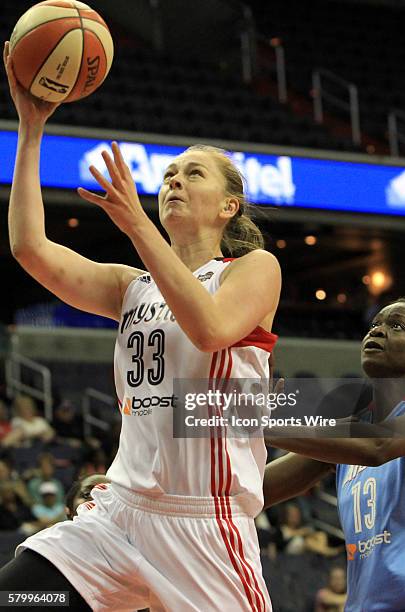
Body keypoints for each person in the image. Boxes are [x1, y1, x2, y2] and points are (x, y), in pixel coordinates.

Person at [0, 41, 281, 612]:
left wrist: (136, 228)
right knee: (22, 599)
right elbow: (30, 248)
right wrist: (31, 131)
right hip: (117, 519)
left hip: (205, 528)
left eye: (193, 173)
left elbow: (208, 330)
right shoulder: (133, 285)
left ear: (229, 206)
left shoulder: (252, 270)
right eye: (170, 174)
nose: (174, 180)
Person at [263, 298, 405, 611]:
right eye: (375, 324)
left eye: (397, 325)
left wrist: (257, 424)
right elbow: (258, 490)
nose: (378, 330)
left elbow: (377, 447)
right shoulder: (351, 431)